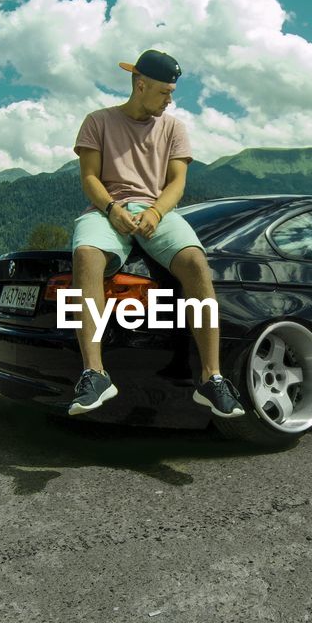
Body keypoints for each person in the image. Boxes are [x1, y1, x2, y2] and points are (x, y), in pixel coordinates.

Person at [67, 49, 246, 420]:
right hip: (107, 209)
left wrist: (156, 211)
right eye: (165, 92)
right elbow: (89, 178)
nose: (170, 99)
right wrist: (112, 210)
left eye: (172, 93)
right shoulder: (97, 121)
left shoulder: (174, 128)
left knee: (196, 260)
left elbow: (177, 183)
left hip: (157, 209)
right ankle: (94, 374)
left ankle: (212, 379)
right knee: (86, 255)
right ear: (140, 84)